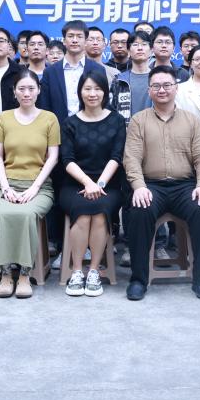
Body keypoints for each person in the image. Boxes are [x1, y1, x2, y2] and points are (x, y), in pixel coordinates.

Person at [122, 66, 200, 301]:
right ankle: (138, 280)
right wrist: (139, 186)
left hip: (185, 186)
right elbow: (131, 158)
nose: (162, 90)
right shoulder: (138, 121)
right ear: (149, 90)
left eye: (167, 85)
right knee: (139, 210)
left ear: (176, 88)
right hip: (151, 185)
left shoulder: (191, 120)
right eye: (156, 86)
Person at [0, 70, 61, 298]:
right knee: (3, 213)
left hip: (39, 187)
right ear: (14, 92)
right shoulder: (4, 118)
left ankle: (24, 273)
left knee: (26, 214)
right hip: (6, 184)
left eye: (31, 88)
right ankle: (5, 273)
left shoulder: (49, 118)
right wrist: (6, 187)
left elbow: (53, 157)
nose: (26, 93)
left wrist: (34, 188)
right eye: (21, 88)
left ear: (39, 90)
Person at [60, 71, 127, 297]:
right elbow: (67, 160)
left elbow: (116, 156)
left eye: (97, 89)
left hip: (108, 184)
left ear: (105, 92)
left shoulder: (116, 120)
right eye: (87, 88)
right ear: (80, 92)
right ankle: (77, 271)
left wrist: (100, 184)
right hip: (74, 184)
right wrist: (88, 183)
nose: (92, 94)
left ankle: (94, 271)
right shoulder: (70, 123)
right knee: (82, 212)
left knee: (99, 212)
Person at [38, 20, 107, 124]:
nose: (75, 40)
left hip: (91, 127)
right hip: (58, 128)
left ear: (85, 41)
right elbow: (44, 106)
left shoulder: (98, 69)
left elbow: (104, 102)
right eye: (70, 36)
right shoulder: (50, 72)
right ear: (64, 41)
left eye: (79, 36)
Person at [110, 31, 153, 125]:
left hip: (154, 130)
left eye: (144, 44)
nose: (140, 48)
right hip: (126, 130)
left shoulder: (159, 79)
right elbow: (111, 111)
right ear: (129, 52)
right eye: (135, 44)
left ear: (151, 51)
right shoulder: (119, 80)